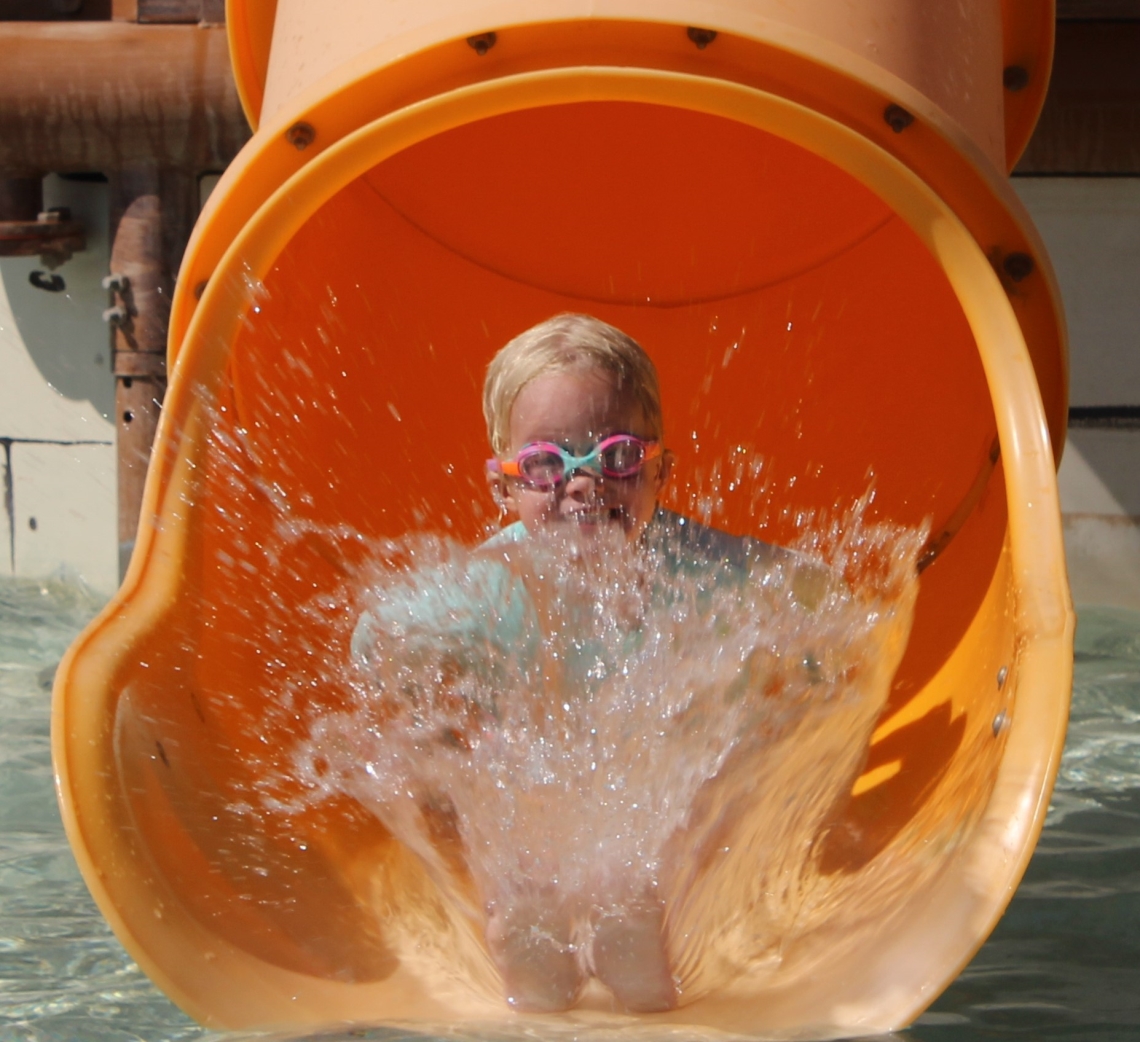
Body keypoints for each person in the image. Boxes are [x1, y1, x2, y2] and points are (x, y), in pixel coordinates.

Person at [351, 313, 787, 1014]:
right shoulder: (489, 585)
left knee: (636, 921)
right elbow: (374, 642)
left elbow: (819, 603)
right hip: (539, 795)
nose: (583, 485)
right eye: (549, 464)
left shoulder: (700, 570)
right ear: (505, 487)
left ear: (660, 469)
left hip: (657, 802)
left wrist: (783, 719)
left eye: (614, 456)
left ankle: (652, 1002)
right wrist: (440, 723)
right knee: (526, 925)